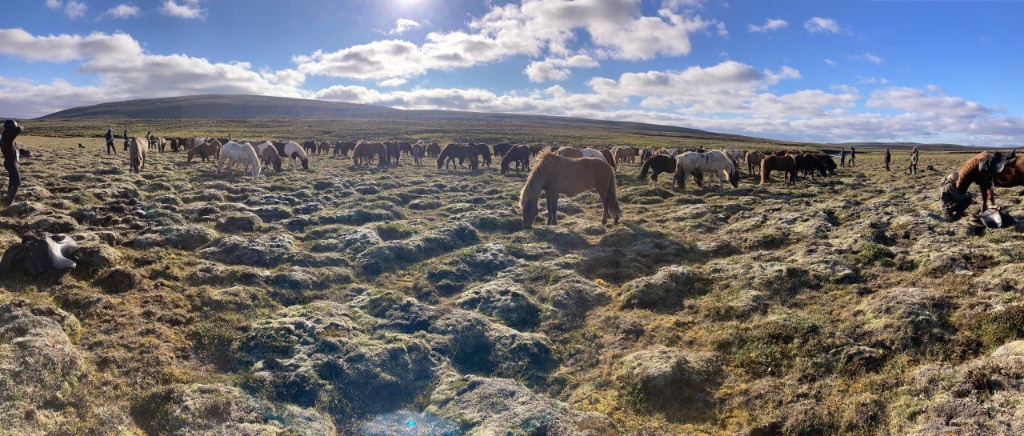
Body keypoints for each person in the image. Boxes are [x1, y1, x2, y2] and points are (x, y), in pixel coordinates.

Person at [2, 120, 23, 206]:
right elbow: (18, 130)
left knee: (12, 181)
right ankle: (8, 204)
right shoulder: (8, 136)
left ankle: (8, 199)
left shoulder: (5, 136)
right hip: (11, 163)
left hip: (9, 162)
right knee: (17, 182)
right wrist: (22, 127)